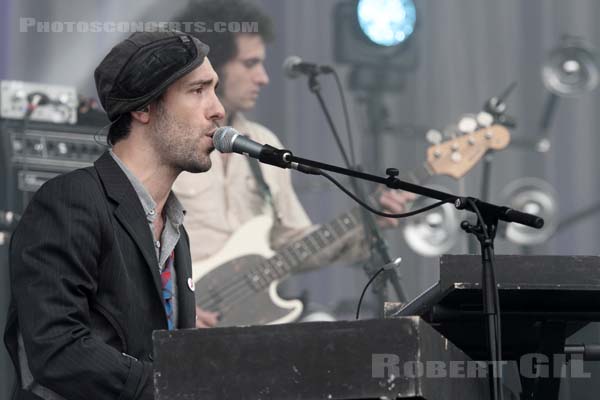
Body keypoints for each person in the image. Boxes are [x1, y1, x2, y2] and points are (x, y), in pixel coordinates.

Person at [3, 30, 224, 399]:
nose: (218, 108)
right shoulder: (73, 199)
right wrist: (163, 386)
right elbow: (57, 348)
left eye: (214, 89)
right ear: (143, 108)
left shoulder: (173, 228)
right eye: (197, 90)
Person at [173, 0, 413, 328]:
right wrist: (170, 304)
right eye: (250, 63)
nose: (264, 78)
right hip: (172, 323)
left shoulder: (261, 144)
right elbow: (130, 244)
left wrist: (369, 220)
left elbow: (291, 243)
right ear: (211, 67)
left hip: (248, 328)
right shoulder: (168, 141)